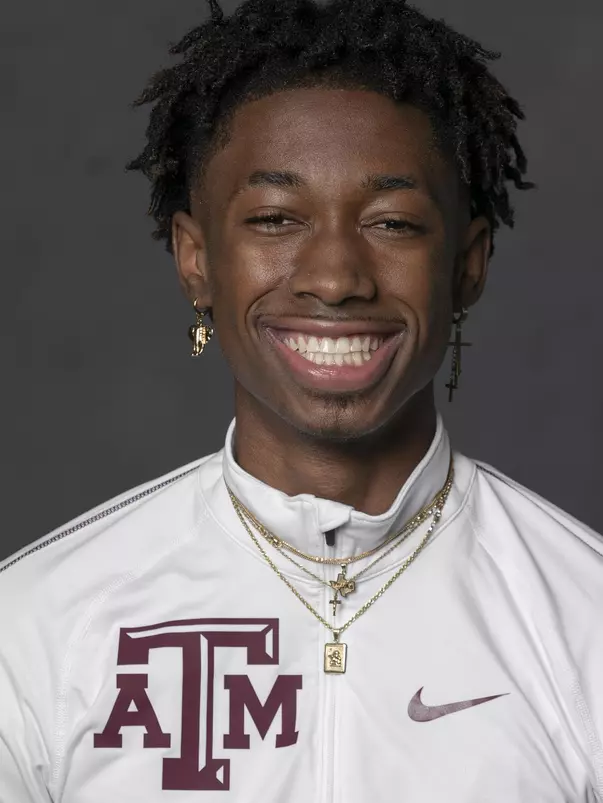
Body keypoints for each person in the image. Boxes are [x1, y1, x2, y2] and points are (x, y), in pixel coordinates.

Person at [1, 0, 602, 800]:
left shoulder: (583, 618)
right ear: (195, 259)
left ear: (468, 263)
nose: (334, 278)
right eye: (276, 218)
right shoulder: (35, 624)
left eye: (392, 222)